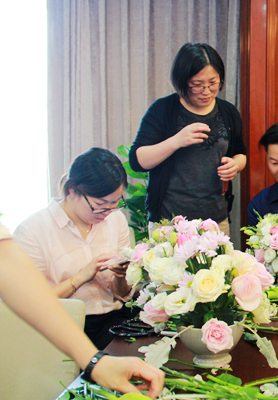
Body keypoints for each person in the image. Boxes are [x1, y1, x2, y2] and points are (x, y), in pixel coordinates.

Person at [0, 221, 164, 398]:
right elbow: (17, 277)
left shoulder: (115, 221)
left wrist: (95, 362)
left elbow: (7, 262)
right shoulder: (33, 228)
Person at [14, 148, 138, 349]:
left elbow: (121, 294)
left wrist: (120, 276)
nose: (107, 212)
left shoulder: (115, 219)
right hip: (64, 325)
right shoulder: (33, 230)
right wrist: (80, 278)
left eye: (115, 203)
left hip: (114, 319)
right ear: (72, 190)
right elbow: (29, 302)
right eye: (100, 204)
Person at [129, 42, 247, 235]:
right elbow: (137, 160)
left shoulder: (228, 112)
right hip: (168, 222)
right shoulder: (163, 110)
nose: (206, 91)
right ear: (182, 81)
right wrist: (176, 141)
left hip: (215, 221)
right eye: (197, 85)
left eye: (213, 83)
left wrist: (236, 164)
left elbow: (241, 153)